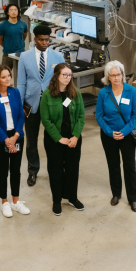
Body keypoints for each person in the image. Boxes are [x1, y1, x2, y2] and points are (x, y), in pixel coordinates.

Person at [16, 24, 64, 187]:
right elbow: (21, 83)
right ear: (34, 39)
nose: (45, 43)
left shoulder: (58, 57)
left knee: (53, 140)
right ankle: (32, 171)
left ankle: (54, 170)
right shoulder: (24, 57)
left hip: (52, 104)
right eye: (41, 40)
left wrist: (64, 104)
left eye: (47, 40)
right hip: (32, 105)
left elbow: (63, 82)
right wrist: (20, 104)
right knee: (31, 141)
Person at [95, 60, 136, 212]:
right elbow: (100, 116)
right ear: (108, 77)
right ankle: (116, 194)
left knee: (130, 167)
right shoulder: (103, 93)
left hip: (127, 136)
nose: (116, 78)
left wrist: (125, 131)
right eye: (113, 75)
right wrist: (109, 132)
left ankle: (132, 198)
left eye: (118, 74)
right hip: (109, 136)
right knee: (113, 165)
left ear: (123, 75)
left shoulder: (132, 91)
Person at [40, 63, 85, 216]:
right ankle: (57, 200)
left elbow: (81, 117)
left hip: (73, 140)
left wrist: (75, 136)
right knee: (55, 170)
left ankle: (72, 197)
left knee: (73, 169)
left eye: (69, 75)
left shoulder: (75, 93)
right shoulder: (47, 95)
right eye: (64, 75)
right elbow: (45, 120)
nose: (67, 78)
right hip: (55, 141)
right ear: (57, 76)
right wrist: (59, 138)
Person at [0, 64, 29, 218]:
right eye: (4, 77)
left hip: (16, 136)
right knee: (3, 170)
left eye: (9, 75)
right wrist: (6, 140)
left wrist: (16, 136)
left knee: (16, 170)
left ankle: (16, 202)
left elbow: (21, 116)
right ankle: (4, 202)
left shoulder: (15, 92)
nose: (8, 79)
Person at [0, 3, 28, 70]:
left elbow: (24, 36)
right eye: (11, 10)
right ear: (7, 12)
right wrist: (7, 45)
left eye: (15, 10)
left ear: (18, 12)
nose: (14, 12)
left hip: (21, 52)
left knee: (22, 74)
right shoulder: (2, 26)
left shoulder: (23, 24)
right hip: (8, 54)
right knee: (5, 72)